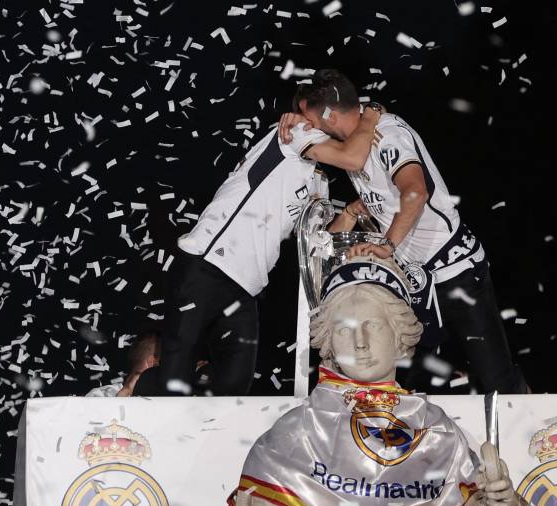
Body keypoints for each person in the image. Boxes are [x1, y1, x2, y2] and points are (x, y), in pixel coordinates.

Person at [175, 257, 543, 506]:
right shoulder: (299, 429)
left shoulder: (437, 430)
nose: (361, 342)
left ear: (400, 335)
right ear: (330, 343)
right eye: (344, 329)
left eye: (373, 325)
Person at [279, 69, 528, 395]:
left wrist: (387, 245)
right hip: (416, 281)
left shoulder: (387, 135)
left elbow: (415, 192)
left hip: (456, 273)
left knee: (496, 380)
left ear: (330, 115)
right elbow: (383, 194)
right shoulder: (358, 137)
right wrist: (357, 211)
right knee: (409, 384)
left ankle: (525, 433)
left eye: (310, 118)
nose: (308, 125)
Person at [156, 103, 385, 395]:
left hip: (245, 288)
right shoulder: (294, 133)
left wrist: (351, 214)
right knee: (175, 375)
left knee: (234, 387)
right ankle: (149, 404)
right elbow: (352, 158)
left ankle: (212, 436)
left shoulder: (320, 181)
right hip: (206, 264)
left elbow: (318, 245)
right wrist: (369, 119)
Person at [84, 330, 160, 397]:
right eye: (165, 363)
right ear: (152, 363)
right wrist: (125, 394)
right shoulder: (99, 396)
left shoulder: (165, 398)